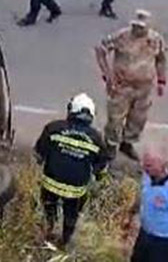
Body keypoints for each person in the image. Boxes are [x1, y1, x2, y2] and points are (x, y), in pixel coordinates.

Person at [35, 94, 111, 248]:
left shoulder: (53, 128)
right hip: (76, 190)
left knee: (49, 207)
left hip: (50, 183)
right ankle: (65, 241)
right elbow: (101, 166)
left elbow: (39, 154)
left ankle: (48, 231)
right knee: (71, 215)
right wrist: (100, 179)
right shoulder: (96, 138)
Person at [97, 9, 167, 160]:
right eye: (135, 26)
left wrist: (161, 80)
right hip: (122, 86)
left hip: (144, 87)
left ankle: (127, 143)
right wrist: (107, 75)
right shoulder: (121, 36)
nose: (138, 29)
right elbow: (101, 50)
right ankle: (110, 145)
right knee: (115, 118)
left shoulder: (155, 39)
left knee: (138, 118)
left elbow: (161, 59)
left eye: (141, 27)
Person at [126, 150, 168, 262]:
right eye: (144, 164)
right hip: (145, 235)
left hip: (166, 243)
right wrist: (131, 214)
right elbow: (143, 195)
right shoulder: (147, 177)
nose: (144, 168)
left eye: (149, 165)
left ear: (163, 165)